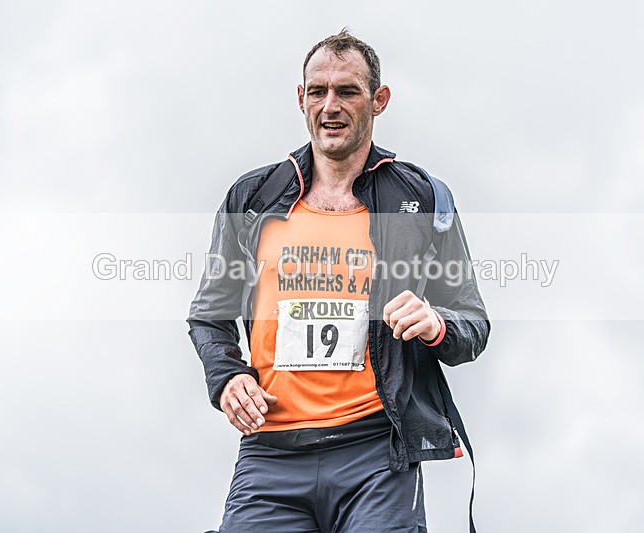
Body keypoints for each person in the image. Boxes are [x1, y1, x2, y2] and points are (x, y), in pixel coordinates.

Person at [187, 29, 490, 533]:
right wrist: (227, 377)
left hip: (376, 452)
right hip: (271, 454)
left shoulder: (420, 198)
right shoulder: (253, 195)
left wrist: (437, 323)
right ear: (300, 99)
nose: (331, 105)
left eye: (347, 91)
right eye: (317, 91)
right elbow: (209, 314)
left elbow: (472, 323)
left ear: (378, 100)